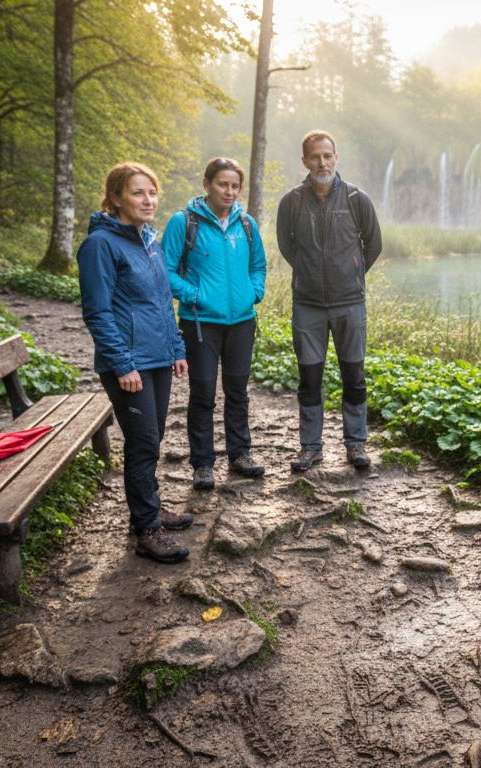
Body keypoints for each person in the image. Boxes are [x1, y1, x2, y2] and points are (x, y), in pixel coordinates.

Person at [78, 162, 194, 564]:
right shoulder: (100, 245)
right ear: (115, 198)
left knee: (152, 438)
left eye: (152, 192)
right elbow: (97, 312)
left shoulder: (150, 242)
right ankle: (146, 530)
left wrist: (176, 348)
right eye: (137, 193)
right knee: (143, 442)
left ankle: (150, 508)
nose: (148, 200)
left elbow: (162, 301)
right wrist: (122, 364)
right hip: (129, 364)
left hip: (158, 357)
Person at [275, 129, 383, 471]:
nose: (322, 162)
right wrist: (309, 273)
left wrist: (350, 274)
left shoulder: (356, 199)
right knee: (310, 378)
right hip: (307, 304)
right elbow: (287, 245)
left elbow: (373, 244)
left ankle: (356, 444)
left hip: (350, 303)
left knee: (354, 376)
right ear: (304, 161)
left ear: (336, 157)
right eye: (315, 157)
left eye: (327, 155)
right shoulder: (291, 202)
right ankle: (311, 447)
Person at [163, 157, 268, 491]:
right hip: (200, 322)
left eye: (235, 186)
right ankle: (203, 464)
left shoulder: (246, 224)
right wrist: (193, 294)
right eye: (223, 184)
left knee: (237, 391)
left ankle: (240, 454)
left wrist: (254, 292)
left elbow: (258, 265)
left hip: (242, 322)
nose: (229, 191)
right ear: (207, 184)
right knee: (203, 392)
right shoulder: (184, 222)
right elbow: (165, 271)